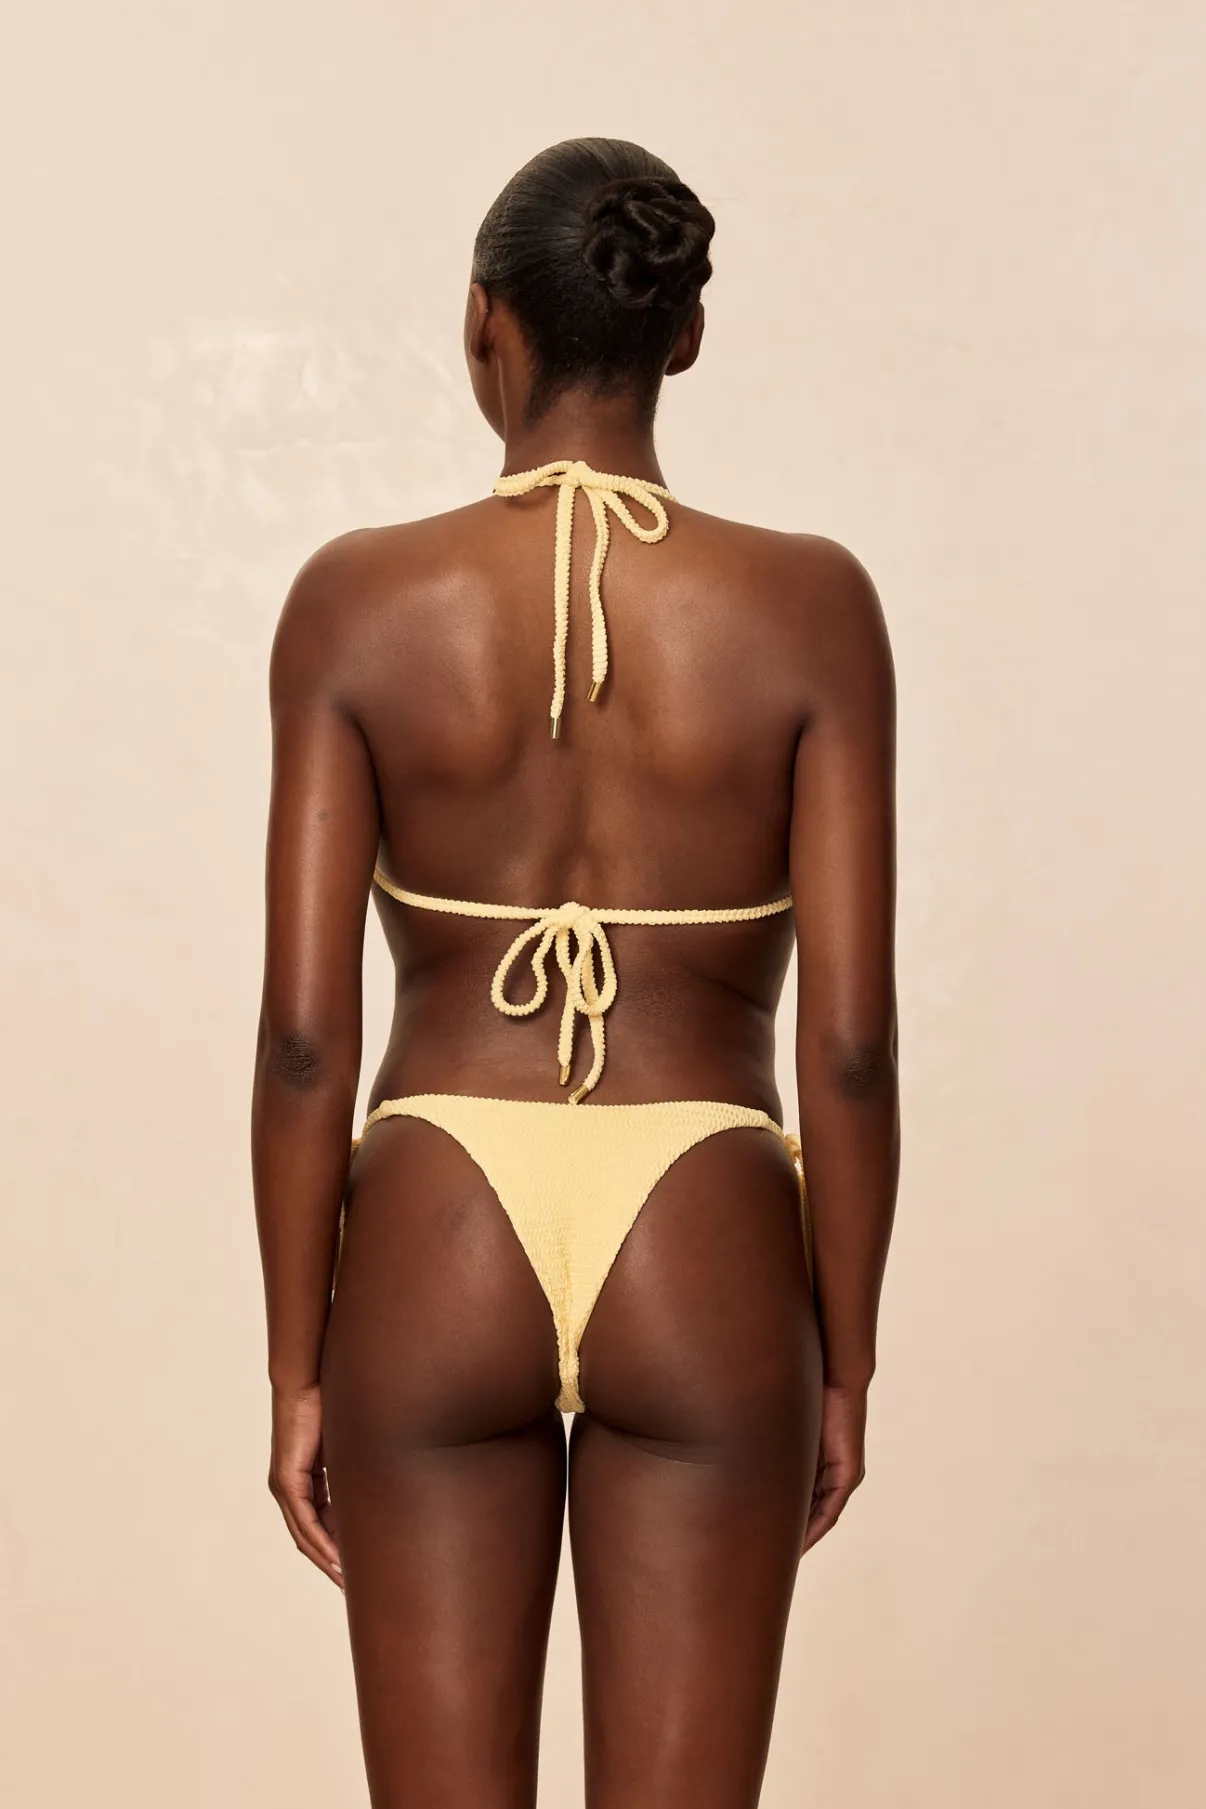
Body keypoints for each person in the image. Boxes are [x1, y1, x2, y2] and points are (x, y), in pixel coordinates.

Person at [252, 135, 899, 1809]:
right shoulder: (812, 606)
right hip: (706, 1224)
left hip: (435, 1217)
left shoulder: (354, 601)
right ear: (683, 333)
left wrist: (297, 1366)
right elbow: (847, 1052)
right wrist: (844, 1358)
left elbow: (308, 1042)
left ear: (486, 320)